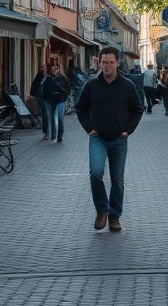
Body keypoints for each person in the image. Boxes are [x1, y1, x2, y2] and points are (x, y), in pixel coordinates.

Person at [76, 46, 144, 232]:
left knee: (117, 179)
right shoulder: (91, 85)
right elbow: (80, 108)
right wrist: (90, 129)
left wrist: (128, 130)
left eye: (110, 63)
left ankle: (114, 216)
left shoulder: (127, 85)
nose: (107, 66)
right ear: (99, 62)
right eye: (104, 62)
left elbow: (138, 110)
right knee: (96, 173)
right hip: (97, 138)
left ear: (117, 63)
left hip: (119, 139)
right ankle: (101, 210)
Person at [41, 61, 71, 143]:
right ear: (51, 69)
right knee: (51, 118)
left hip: (60, 100)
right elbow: (43, 89)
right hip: (49, 100)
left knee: (59, 117)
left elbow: (68, 90)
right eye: (53, 68)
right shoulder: (48, 78)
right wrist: (46, 97)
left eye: (57, 68)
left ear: (59, 69)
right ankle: (52, 135)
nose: (55, 70)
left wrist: (63, 97)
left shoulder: (63, 79)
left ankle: (60, 135)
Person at [29, 63, 51, 140]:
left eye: (44, 67)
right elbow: (34, 85)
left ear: (46, 69)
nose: (43, 69)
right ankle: (46, 132)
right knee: (44, 114)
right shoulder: (38, 76)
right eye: (42, 67)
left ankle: (48, 132)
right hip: (40, 98)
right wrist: (33, 94)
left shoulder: (49, 77)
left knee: (46, 114)